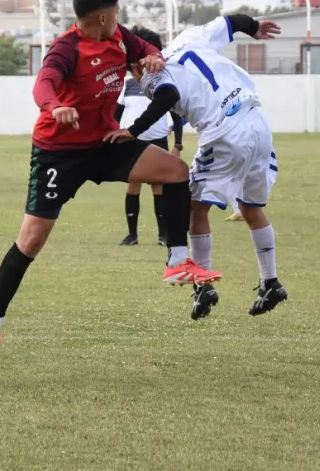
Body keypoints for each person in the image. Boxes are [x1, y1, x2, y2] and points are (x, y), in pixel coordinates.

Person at [0, 0, 220, 370]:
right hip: (59, 154)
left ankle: (175, 261)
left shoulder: (119, 37)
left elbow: (147, 49)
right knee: (30, 242)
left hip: (103, 143)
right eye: (117, 13)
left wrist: (153, 57)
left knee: (175, 171)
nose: (119, 19)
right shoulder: (66, 48)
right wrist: (55, 107)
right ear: (102, 16)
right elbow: (44, 83)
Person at [106, 17, 287, 321]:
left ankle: (202, 285)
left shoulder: (151, 70)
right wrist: (253, 26)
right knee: (251, 207)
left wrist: (133, 130)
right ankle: (270, 282)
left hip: (225, 131)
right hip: (257, 120)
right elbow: (231, 21)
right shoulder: (190, 36)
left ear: (136, 62)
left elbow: (168, 96)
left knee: (193, 209)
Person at [114, 27, 184, 247]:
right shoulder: (127, 84)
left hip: (157, 140)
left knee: (158, 187)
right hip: (131, 142)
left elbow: (175, 113)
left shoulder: (163, 81)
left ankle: (163, 235)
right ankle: (132, 235)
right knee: (132, 185)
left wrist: (178, 145)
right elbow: (116, 113)